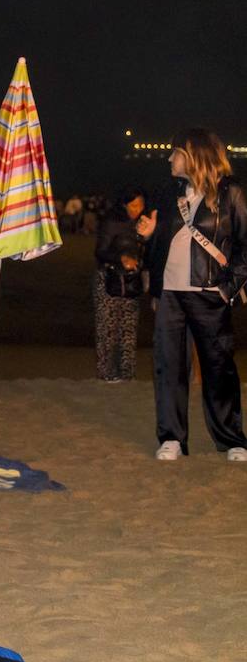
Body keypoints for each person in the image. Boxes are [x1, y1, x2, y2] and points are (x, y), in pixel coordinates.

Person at [137, 129, 247, 461]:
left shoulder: (232, 194)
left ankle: (232, 440)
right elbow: (164, 245)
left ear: (195, 156)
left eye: (176, 153)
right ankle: (171, 438)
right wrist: (151, 235)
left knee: (219, 367)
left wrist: (228, 287)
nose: (170, 159)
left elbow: (245, 249)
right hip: (170, 293)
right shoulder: (170, 193)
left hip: (209, 292)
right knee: (169, 366)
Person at [92, 187, 147, 383]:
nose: (137, 209)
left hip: (131, 282)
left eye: (141, 205)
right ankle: (107, 373)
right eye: (133, 205)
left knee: (129, 330)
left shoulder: (142, 223)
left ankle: (127, 373)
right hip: (108, 280)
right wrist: (120, 258)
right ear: (124, 204)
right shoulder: (112, 222)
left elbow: (147, 252)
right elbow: (100, 252)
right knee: (108, 329)